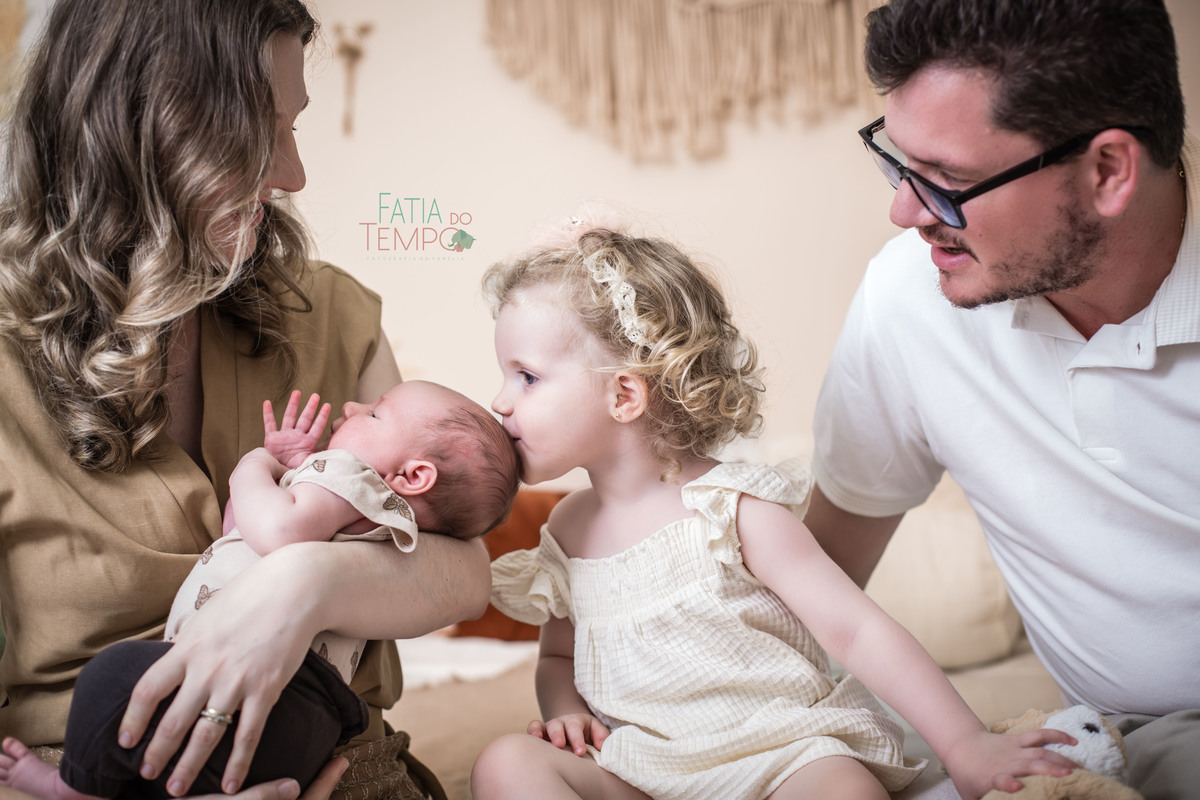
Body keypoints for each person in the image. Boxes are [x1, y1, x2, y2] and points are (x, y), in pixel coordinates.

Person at [0, 1, 493, 799]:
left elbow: (463, 567)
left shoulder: (329, 311)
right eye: (258, 129)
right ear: (135, 128)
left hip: (332, 768)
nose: (293, 175)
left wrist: (302, 590)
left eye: (292, 125)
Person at [468, 222, 1076, 800]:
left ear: (624, 394)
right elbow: (556, 657)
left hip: (779, 758)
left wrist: (967, 745)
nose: (500, 402)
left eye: (526, 377)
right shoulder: (568, 530)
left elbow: (856, 629)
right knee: (506, 763)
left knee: (840, 786)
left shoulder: (733, 509)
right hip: (645, 769)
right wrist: (567, 713)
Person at [805, 0, 1198, 798]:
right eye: (897, 163)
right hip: (1098, 741)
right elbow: (815, 578)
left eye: (949, 182)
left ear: (1107, 171)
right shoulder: (909, 298)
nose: (905, 212)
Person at [0, 381, 519, 800]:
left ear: (413, 474)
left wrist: (255, 465)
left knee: (112, 677)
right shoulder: (386, 519)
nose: (356, 405)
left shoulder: (349, 476)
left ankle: (73, 787)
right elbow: (241, 534)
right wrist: (290, 475)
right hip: (313, 724)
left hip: (275, 687)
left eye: (377, 414)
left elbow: (276, 533)